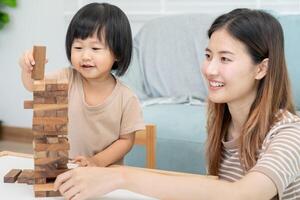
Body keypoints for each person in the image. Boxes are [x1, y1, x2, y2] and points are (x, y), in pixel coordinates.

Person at [54, 8, 300, 200]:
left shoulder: (290, 134)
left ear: (262, 68)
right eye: (208, 56)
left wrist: (117, 176)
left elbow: (242, 195)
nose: (209, 69)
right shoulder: (222, 123)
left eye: (225, 58)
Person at [19, 3, 144, 167]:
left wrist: (95, 162)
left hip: (104, 175)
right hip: (64, 170)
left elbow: (126, 141)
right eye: (78, 47)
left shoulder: (126, 98)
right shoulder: (67, 78)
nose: (85, 55)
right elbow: (34, 86)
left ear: (118, 53)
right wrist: (27, 69)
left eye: (95, 48)